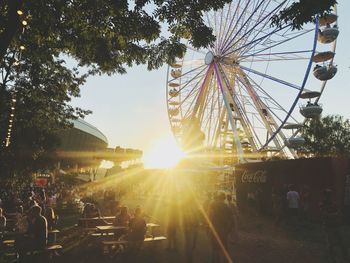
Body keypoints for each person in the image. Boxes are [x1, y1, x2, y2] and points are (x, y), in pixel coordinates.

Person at [208, 192, 234, 263]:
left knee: (215, 248)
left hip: (214, 229)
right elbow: (231, 219)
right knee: (224, 247)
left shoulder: (213, 205)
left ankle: (215, 261)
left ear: (218, 197)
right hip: (224, 230)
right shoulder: (227, 207)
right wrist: (229, 229)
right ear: (224, 198)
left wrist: (209, 226)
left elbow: (210, 216)